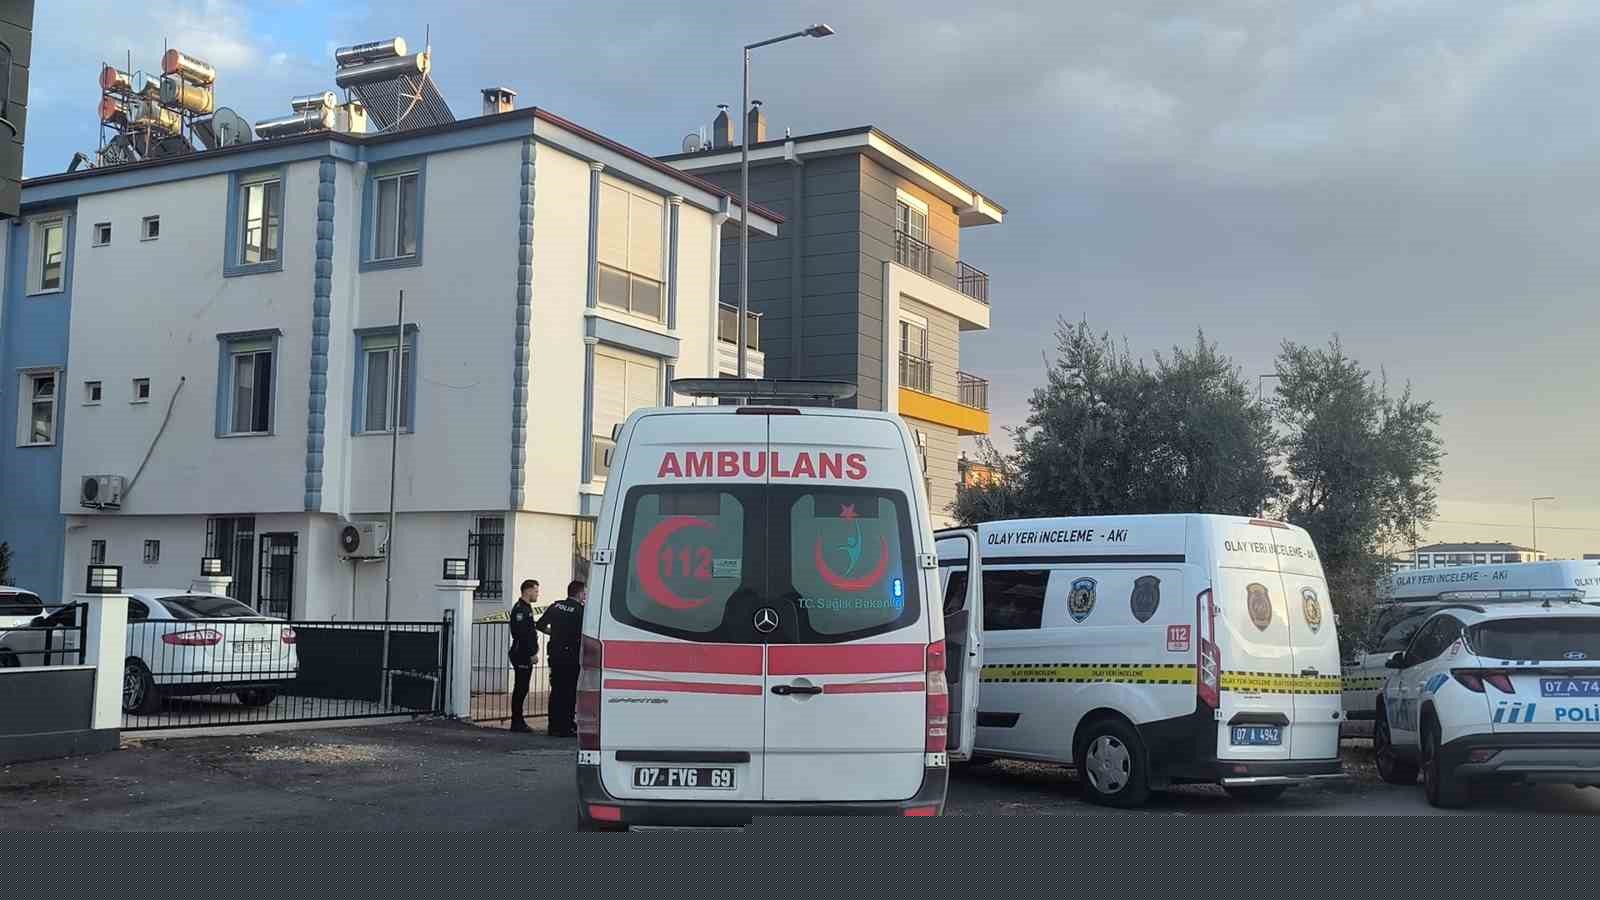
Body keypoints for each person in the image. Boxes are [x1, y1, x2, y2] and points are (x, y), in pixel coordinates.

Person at [537, 579, 586, 737]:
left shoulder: (555, 606)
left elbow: (540, 625)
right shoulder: (581, 611)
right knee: (570, 691)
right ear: (579, 593)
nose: (585, 595)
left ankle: (553, 726)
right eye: (584, 593)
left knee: (556, 690)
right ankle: (567, 726)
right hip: (571, 656)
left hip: (555, 655)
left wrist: (554, 634)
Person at [507, 579, 540, 733]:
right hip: (521, 654)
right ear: (527, 590)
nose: (537, 594)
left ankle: (518, 720)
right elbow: (522, 635)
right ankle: (516, 721)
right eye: (535, 591)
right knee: (520, 688)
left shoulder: (527, 608)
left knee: (523, 687)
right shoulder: (521, 609)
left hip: (523, 653)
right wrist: (531, 653)